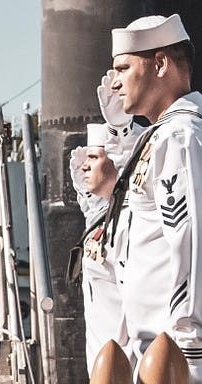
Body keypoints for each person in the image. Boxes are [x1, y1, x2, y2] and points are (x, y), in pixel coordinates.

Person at [104, 15, 202, 383]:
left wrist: (190, 346)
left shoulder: (181, 135)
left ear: (160, 63)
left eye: (122, 67)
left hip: (182, 352)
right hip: (159, 348)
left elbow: (192, 242)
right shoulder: (165, 132)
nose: (115, 82)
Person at [68, 123, 132, 374]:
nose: (85, 165)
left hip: (124, 361)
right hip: (101, 360)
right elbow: (94, 206)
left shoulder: (131, 222)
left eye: (93, 157)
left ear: (118, 160)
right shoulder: (103, 217)